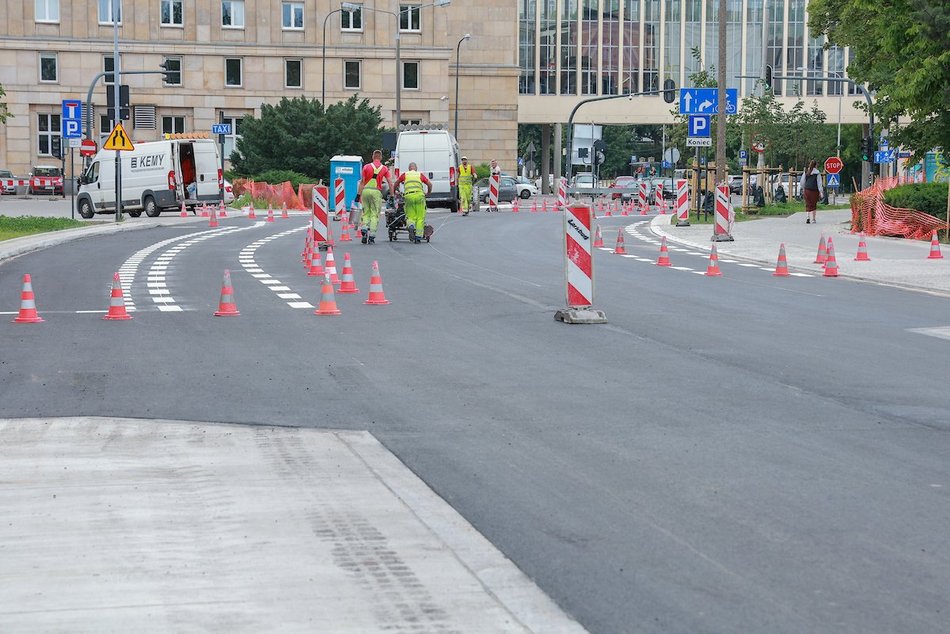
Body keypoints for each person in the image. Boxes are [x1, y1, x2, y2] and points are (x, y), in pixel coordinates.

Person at [356, 149, 394, 244]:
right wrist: (392, 195)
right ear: (380, 158)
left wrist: (358, 194)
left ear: (373, 157)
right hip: (376, 192)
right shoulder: (384, 168)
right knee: (374, 214)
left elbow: (362, 182)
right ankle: (372, 236)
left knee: (366, 212)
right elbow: (390, 183)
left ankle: (364, 228)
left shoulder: (366, 167)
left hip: (365, 191)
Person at [395, 162, 432, 243]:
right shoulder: (419, 175)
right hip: (419, 196)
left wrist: (396, 191)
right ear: (416, 168)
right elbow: (429, 184)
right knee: (420, 217)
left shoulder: (405, 175)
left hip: (408, 197)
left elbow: (396, 183)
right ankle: (418, 236)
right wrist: (428, 193)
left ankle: (411, 225)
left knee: (410, 216)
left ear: (409, 168)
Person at [799, 160, 823, 224]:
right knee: (813, 204)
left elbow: (802, 181)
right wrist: (821, 191)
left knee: (808, 204)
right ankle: (813, 219)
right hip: (814, 191)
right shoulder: (817, 173)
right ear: (816, 165)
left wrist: (804, 188)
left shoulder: (806, 171)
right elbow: (819, 183)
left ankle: (807, 217)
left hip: (807, 190)